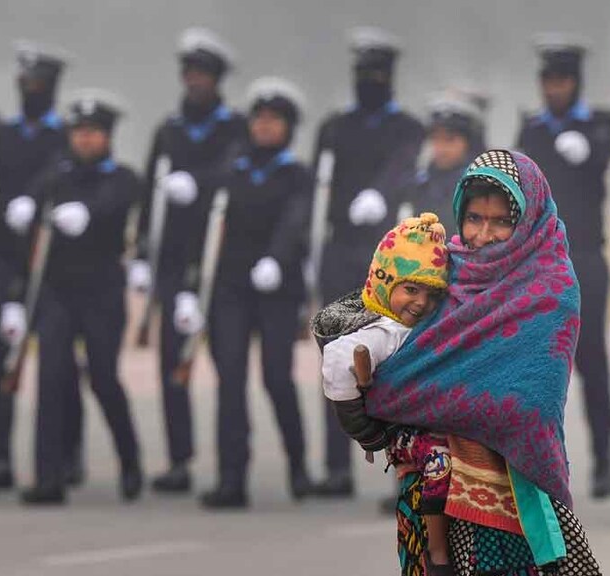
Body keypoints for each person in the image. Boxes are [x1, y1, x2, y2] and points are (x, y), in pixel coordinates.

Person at [366, 150, 603, 576]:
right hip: (427, 492)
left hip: (511, 497)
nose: (484, 234)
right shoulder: (441, 275)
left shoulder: (551, 288)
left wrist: (417, 400)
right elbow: (392, 354)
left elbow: (528, 408)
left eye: (500, 221)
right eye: (474, 218)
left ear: (527, 219)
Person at [172, 77, 314, 509]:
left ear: (289, 127)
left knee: (275, 377)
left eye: (275, 120)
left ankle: (298, 463)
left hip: (277, 287)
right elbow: (203, 224)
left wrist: (277, 257)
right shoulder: (231, 171)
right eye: (260, 119)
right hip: (230, 289)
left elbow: (297, 220)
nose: (265, 127)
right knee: (229, 379)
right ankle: (232, 477)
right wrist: (189, 290)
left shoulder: (297, 174)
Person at [0, 89, 144, 506]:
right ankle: (49, 476)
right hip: (58, 291)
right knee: (51, 379)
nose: (85, 140)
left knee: (102, 379)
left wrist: (88, 213)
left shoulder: (123, 178)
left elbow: (113, 204)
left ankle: (130, 460)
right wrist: (25, 209)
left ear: (108, 137)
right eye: (79, 131)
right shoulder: (54, 177)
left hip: (101, 291)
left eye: (93, 132)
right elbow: (30, 227)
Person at [131, 28, 248, 495]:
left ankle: (232, 467)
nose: (195, 81)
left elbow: (236, 173)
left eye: (203, 74)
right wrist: (142, 253)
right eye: (190, 73)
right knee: (170, 367)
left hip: (222, 261)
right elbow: (148, 194)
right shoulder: (169, 130)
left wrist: (197, 183)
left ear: (217, 79)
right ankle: (179, 460)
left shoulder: (234, 128)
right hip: (176, 261)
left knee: (228, 368)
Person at [310, 26, 425, 498]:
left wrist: (382, 192)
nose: (369, 80)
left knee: (395, 360)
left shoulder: (407, 129)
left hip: (387, 259)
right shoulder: (335, 127)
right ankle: (336, 466)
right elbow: (319, 189)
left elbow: (406, 166)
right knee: (334, 354)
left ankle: (404, 466)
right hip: (341, 248)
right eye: (363, 72)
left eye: (377, 73)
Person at [316, 212, 451, 573]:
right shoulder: (384, 330)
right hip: (420, 449)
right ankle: (438, 556)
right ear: (383, 282)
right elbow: (338, 357)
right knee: (438, 468)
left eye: (431, 294)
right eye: (411, 289)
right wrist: (362, 428)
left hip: (427, 447)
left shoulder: (420, 324)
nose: (421, 303)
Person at [516, 34, 610, 499]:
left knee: (591, 360)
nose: (553, 90)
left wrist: (588, 150)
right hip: (540, 259)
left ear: (575, 83)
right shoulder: (532, 129)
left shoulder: (601, 123)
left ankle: (604, 460)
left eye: (561, 81)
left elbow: (605, 154)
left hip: (585, 257)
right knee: (538, 364)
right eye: (548, 81)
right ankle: (537, 460)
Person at [0, 40, 81, 489]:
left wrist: (34, 199)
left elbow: (68, 173)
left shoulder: (66, 136)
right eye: (25, 82)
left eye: (38, 83)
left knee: (58, 365)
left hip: (52, 264)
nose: (30, 89)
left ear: (52, 88)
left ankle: (67, 450)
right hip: (3, 259)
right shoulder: (0, 135)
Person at [405, 91, 486, 226]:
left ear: (468, 143)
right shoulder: (421, 184)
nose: (441, 148)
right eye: (436, 139)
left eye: (450, 140)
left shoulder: (481, 186)